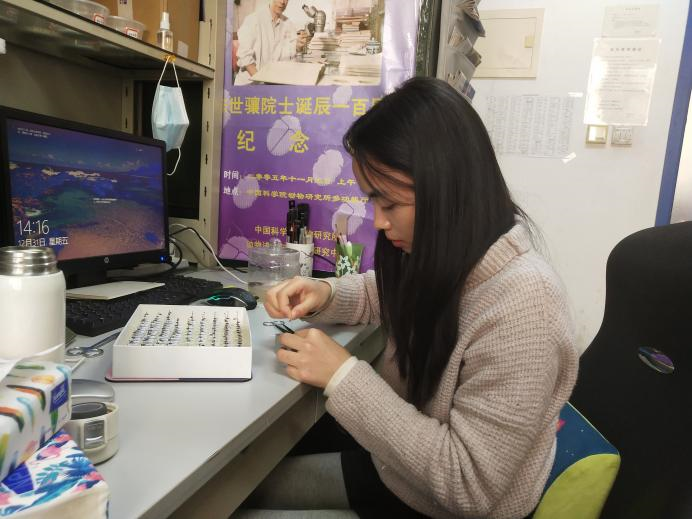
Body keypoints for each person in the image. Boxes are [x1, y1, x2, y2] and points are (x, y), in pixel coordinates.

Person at [238, 77, 579, 519]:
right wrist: (324, 292)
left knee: (240, 498)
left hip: (439, 502)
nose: (378, 222)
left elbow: (468, 484)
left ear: (447, 189)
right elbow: (383, 293)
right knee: (251, 478)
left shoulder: (526, 305)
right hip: (401, 467)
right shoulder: (450, 258)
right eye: (372, 202)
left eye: (389, 205)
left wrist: (342, 376)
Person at [235, 0, 309, 85]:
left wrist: (298, 46)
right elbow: (245, 56)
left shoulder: (288, 23)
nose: (282, 2)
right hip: (250, 84)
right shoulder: (253, 19)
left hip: (272, 82)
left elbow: (289, 54)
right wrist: (262, 82)